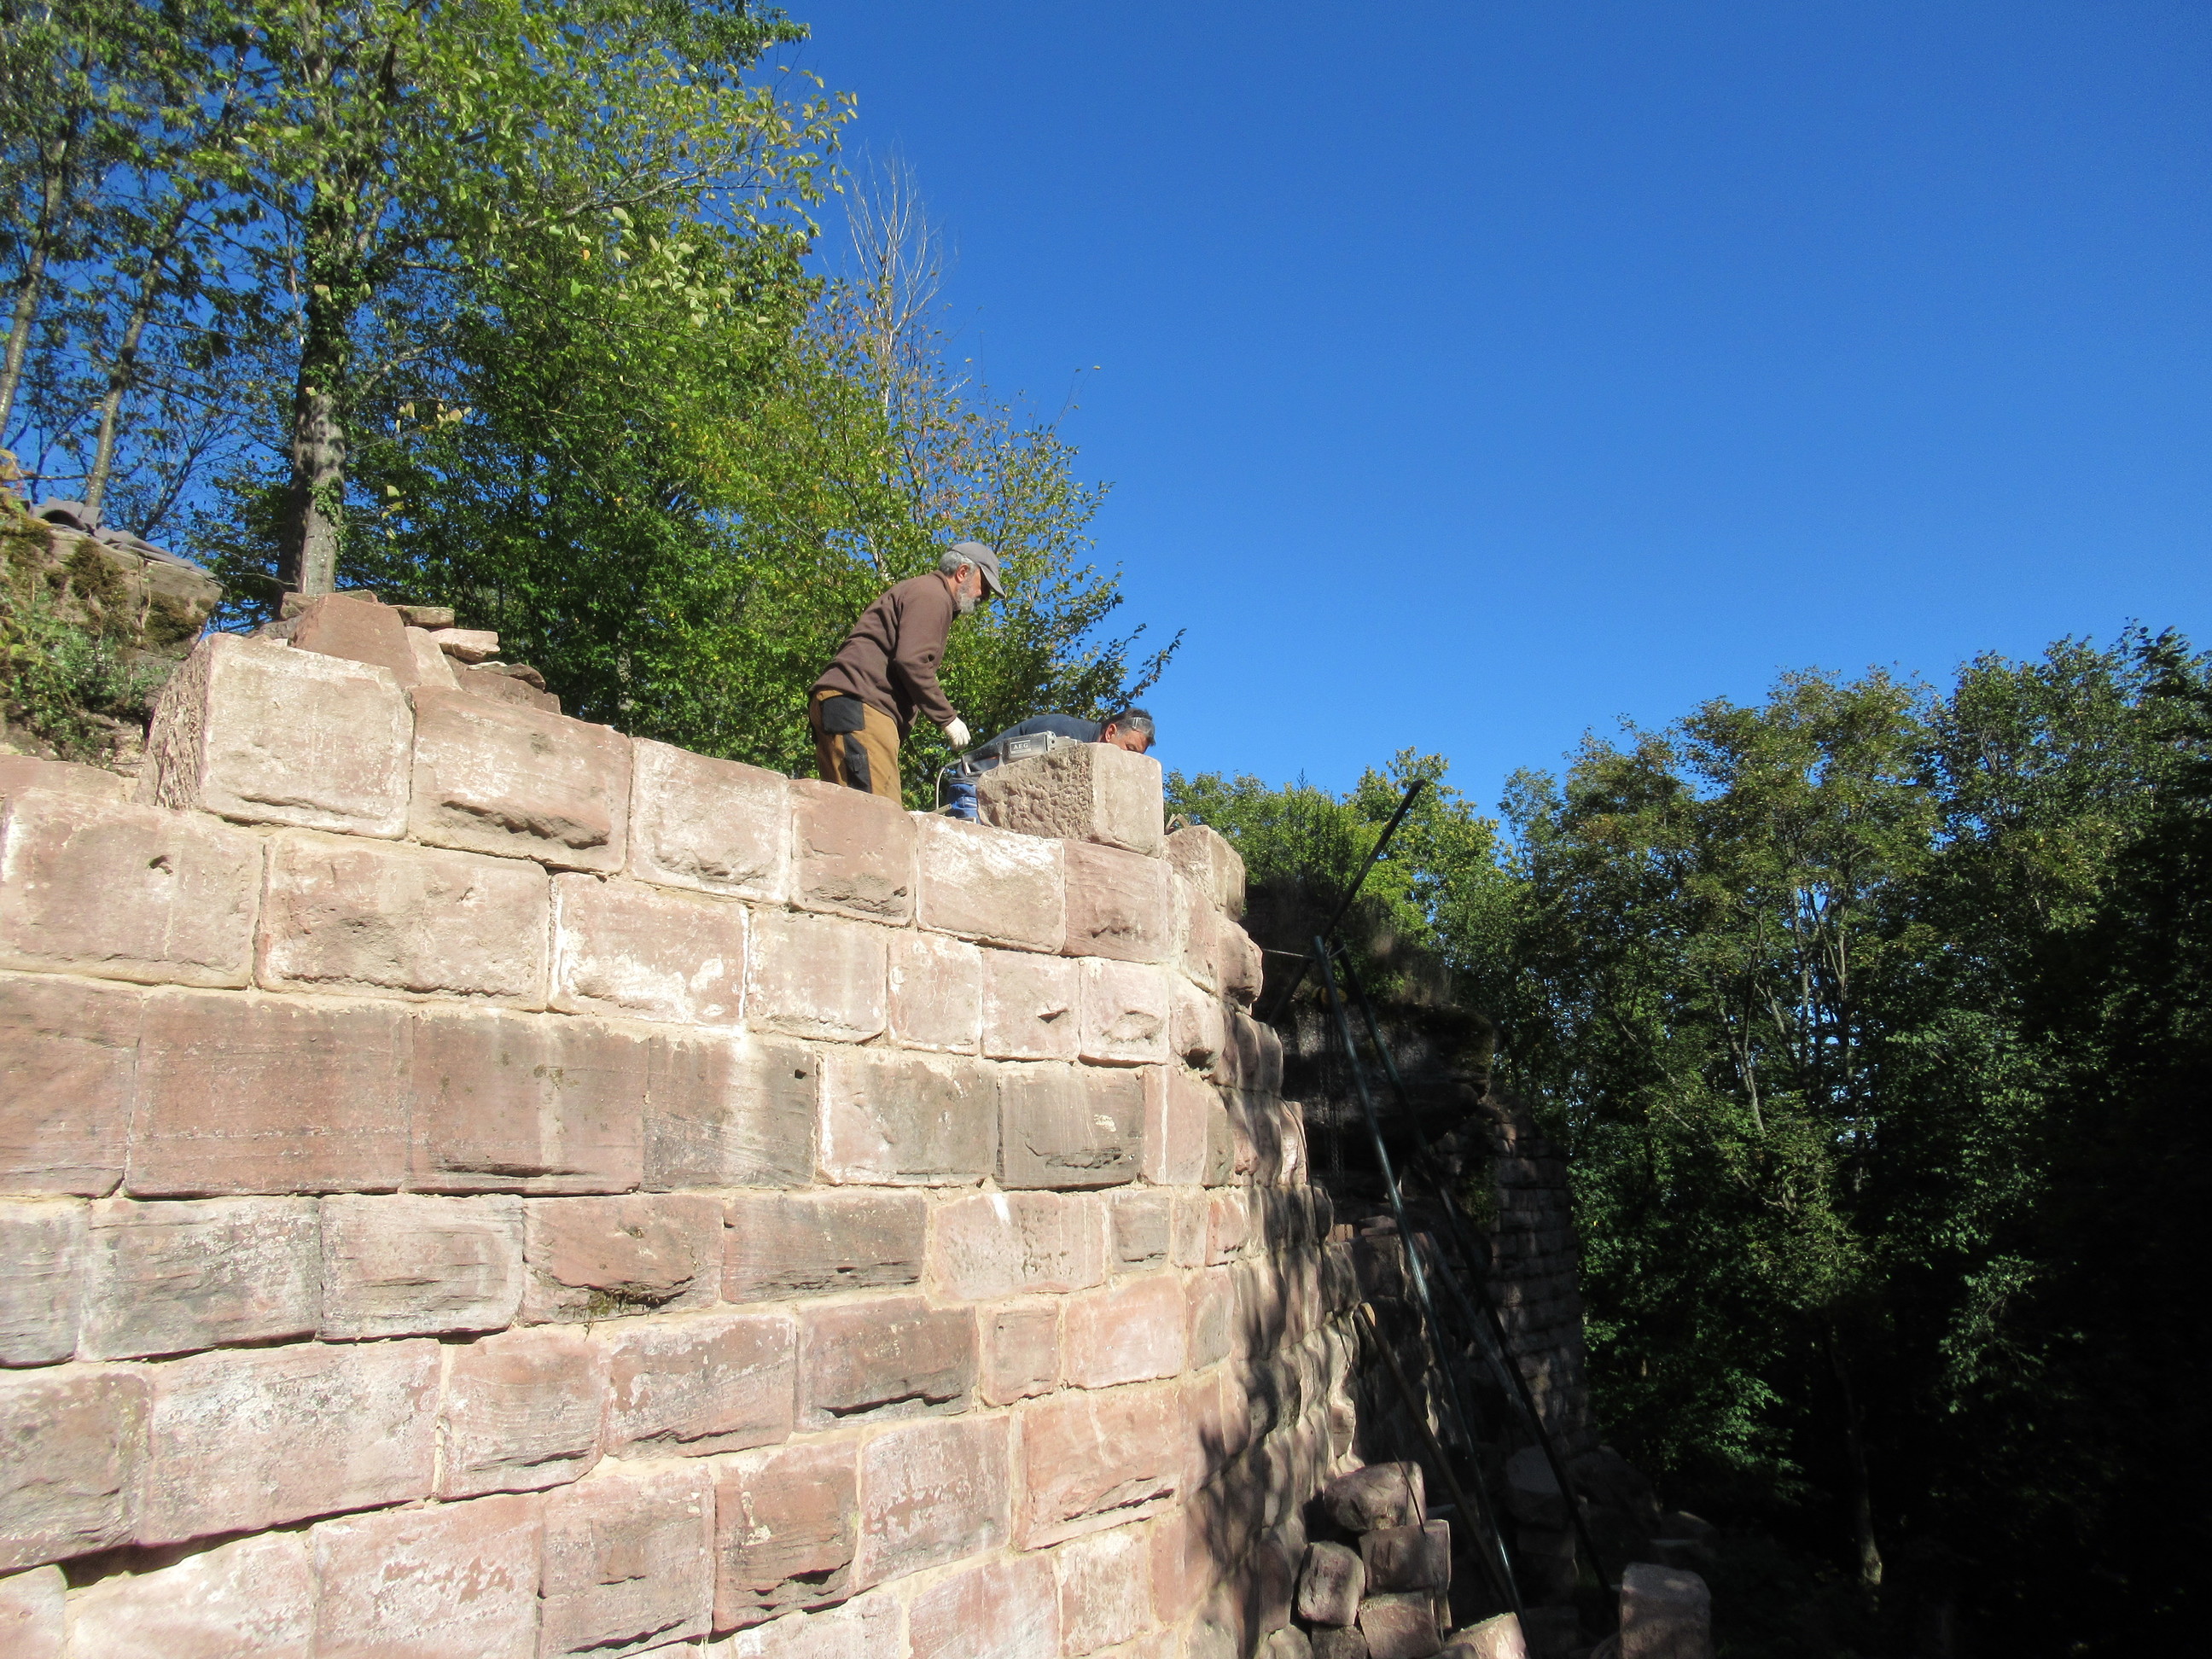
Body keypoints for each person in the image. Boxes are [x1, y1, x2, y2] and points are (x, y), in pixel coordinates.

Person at [810, 542, 1004, 803]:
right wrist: (948, 718)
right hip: (863, 706)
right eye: (985, 585)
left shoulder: (923, 591)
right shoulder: (932, 595)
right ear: (962, 572)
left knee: (846, 812)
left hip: (846, 704)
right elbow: (912, 661)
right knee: (879, 815)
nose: (985, 596)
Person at [943, 707, 1155, 818]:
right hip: (974, 789)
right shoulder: (1062, 734)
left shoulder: (1092, 759)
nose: (1131, 761)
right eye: (1130, 749)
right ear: (1110, 732)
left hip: (1003, 800)